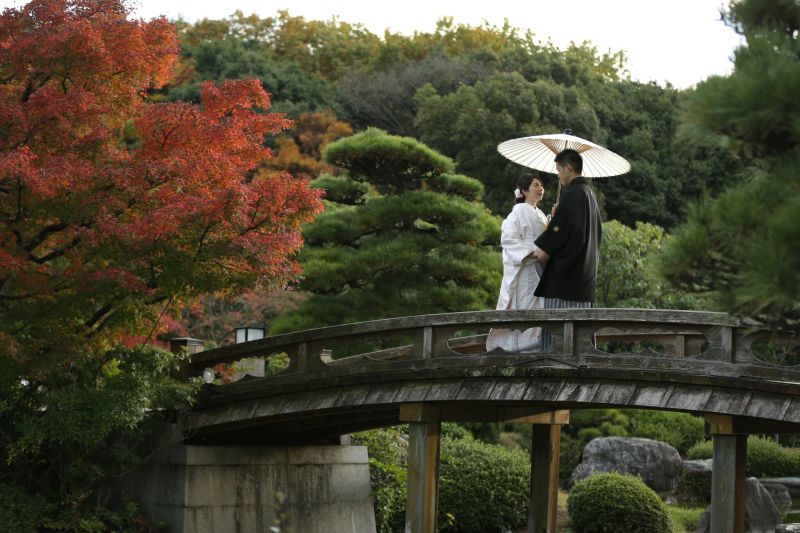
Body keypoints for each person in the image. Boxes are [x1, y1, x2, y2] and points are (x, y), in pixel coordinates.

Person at [533, 149, 602, 348]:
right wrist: (559, 214)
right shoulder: (589, 194)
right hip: (584, 276)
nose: (558, 175)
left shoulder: (573, 194)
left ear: (568, 168)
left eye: (559, 170)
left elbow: (564, 230)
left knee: (557, 336)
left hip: (566, 279)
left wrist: (544, 248)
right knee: (580, 339)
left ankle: (553, 371)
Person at [486, 174, 550, 353]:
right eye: (536, 185)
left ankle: (535, 346)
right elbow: (508, 238)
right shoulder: (518, 211)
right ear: (524, 191)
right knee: (525, 304)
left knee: (537, 306)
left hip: (539, 267)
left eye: (541, 185)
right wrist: (531, 252)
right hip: (526, 267)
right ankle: (521, 347)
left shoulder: (541, 214)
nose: (540, 188)